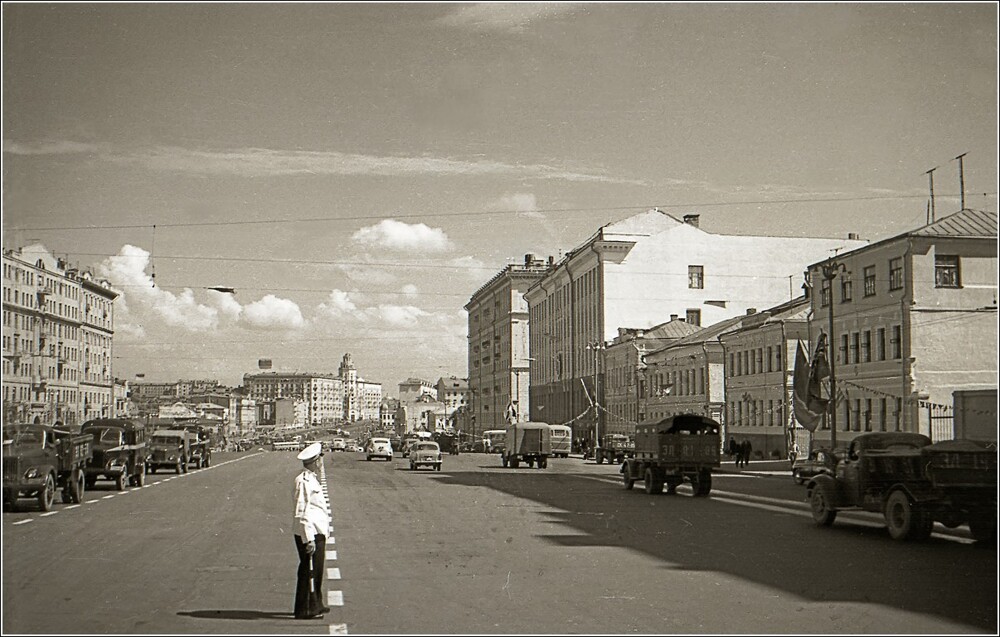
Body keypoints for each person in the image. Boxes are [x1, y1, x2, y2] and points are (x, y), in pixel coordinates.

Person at [292, 442, 331, 620]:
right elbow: (303, 511)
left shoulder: (311, 478)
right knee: (310, 571)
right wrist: (309, 540)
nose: (321, 461)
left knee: (316, 570)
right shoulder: (304, 481)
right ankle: (306, 609)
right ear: (315, 461)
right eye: (320, 458)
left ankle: (316, 603)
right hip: (310, 533)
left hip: (316, 531)